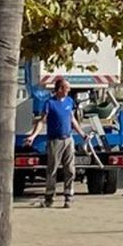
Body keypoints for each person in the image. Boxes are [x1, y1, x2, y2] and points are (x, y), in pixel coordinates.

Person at [31, 72, 79, 208]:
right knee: (52, 170)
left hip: (68, 139)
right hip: (54, 141)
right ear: (59, 89)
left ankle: (68, 196)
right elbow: (42, 121)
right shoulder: (50, 103)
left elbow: (72, 119)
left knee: (70, 169)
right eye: (66, 88)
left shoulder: (70, 101)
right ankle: (49, 197)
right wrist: (33, 135)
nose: (69, 90)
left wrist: (81, 134)